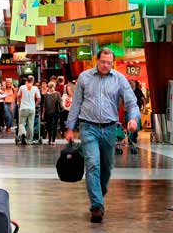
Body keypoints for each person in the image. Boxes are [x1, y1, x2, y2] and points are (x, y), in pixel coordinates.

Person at [65, 48, 139, 223]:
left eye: (109, 62)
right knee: (93, 165)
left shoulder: (119, 79)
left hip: (110, 129)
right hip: (88, 127)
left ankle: (98, 195)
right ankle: (96, 206)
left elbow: (131, 102)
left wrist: (134, 119)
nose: (106, 65)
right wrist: (70, 127)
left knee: (106, 167)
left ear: (112, 62)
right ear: (96, 61)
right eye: (103, 62)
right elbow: (76, 104)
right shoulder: (84, 77)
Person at [16, 75, 41, 145]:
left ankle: (23, 133)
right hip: (32, 109)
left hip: (23, 108)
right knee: (31, 125)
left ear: (27, 80)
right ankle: (29, 141)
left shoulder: (22, 87)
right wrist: (35, 105)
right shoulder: (35, 88)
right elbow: (39, 99)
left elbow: (18, 96)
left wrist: (19, 103)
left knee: (21, 123)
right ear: (33, 81)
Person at [42, 81, 62, 146]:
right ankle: (53, 140)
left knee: (49, 126)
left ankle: (50, 140)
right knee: (54, 126)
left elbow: (44, 106)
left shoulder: (46, 95)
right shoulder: (57, 94)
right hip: (55, 112)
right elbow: (60, 103)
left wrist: (42, 114)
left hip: (49, 112)